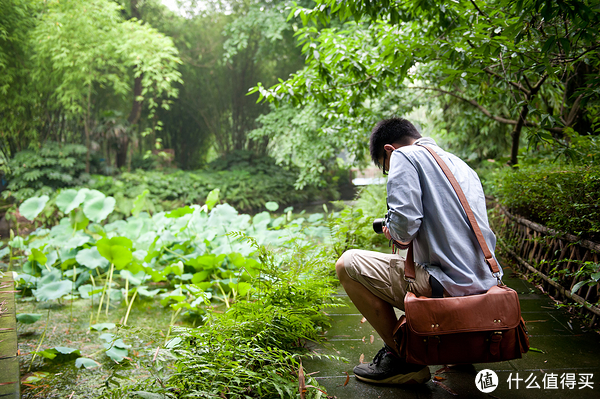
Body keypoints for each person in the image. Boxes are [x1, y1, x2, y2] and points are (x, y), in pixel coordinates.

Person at [335, 117, 502, 385]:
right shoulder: (459, 164)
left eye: (385, 167)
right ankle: (457, 352)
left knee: (347, 264)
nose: (389, 170)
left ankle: (403, 359)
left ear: (389, 150)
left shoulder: (404, 156)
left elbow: (404, 229)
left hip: (449, 285)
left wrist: (392, 229)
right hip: (486, 282)